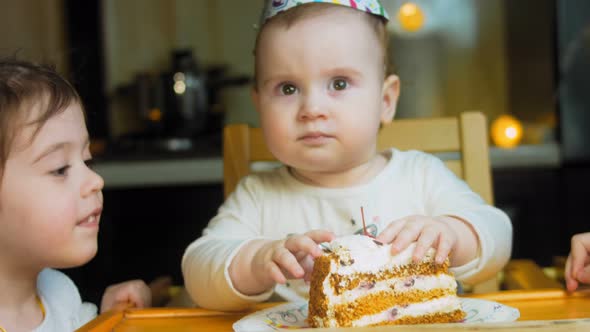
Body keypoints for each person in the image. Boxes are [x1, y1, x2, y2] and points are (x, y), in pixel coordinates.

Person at [182, 0, 512, 311]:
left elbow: (497, 233)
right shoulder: (258, 196)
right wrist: (256, 261)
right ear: (259, 105)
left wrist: (452, 235)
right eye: (287, 88)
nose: (312, 109)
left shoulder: (422, 175)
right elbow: (198, 272)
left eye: (339, 84)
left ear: (385, 101)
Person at [0, 58, 152, 331]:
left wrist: (108, 321)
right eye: (60, 169)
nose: (95, 180)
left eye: (87, 160)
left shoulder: (60, 295)